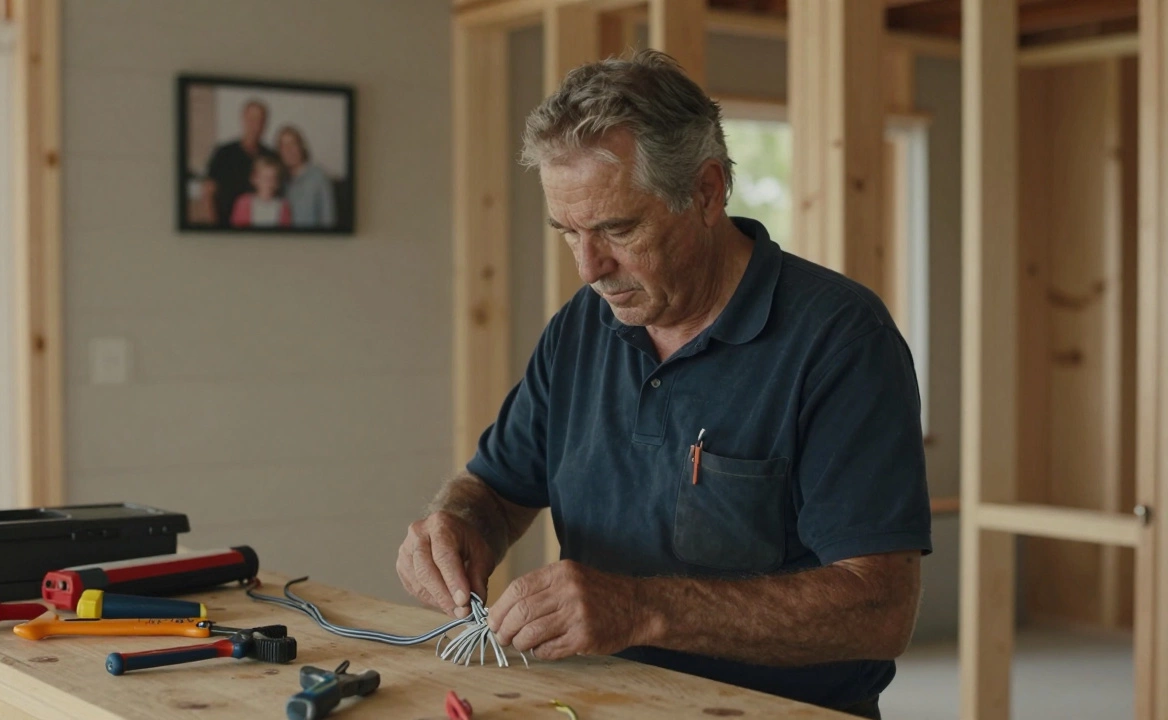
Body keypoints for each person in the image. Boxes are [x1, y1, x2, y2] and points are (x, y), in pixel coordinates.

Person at [395, 49, 930, 720]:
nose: (589, 267)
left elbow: (879, 610)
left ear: (706, 193)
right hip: (594, 701)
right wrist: (456, 526)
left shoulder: (840, 339)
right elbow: (497, 491)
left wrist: (641, 609)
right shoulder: (579, 329)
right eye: (567, 232)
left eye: (618, 228)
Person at [203, 99, 279, 227]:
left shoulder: (271, 156)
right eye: (252, 119)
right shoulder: (223, 152)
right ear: (243, 119)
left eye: (260, 120)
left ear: (265, 124)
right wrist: (214, 229)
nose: (256, 125)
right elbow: (207, 192)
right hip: (226, 228)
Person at [276, 125, 337, 229]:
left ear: (301, 147)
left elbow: (328, 218)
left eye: (292, 144)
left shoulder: (318, 177)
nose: (288, 150)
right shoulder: (279, 180)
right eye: (284, 146)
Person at [230, 155, 291, 227]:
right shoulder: (243, 202)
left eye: (273, 178)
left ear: (278, 182)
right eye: (264, 178)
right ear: (254, 179)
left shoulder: (283, 205)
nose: (268, 182)